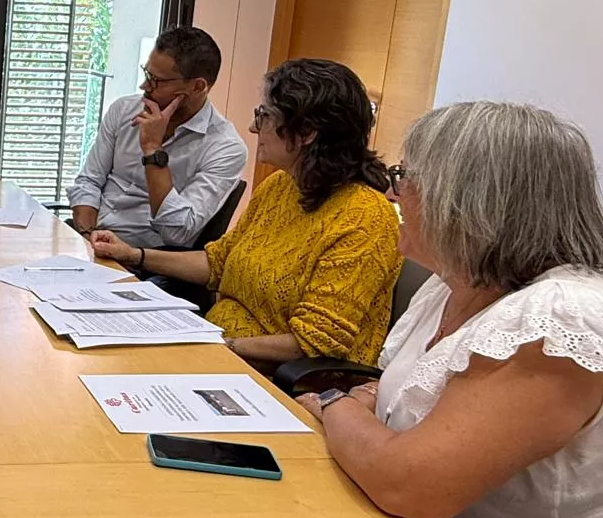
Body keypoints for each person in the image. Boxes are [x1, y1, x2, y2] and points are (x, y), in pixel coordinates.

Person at [297, 102, 603, 518]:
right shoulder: (456, 283)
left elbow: (409, 484)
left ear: (466, 200)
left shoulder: (561, 320)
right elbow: (397, 399)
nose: (394, 195)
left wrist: (335, 406)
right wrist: (364, 413)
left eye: (405, 178)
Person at [92, 58, 401, 367]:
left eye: (264, 115)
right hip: (221, 353)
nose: (254, 127)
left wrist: (216, 344)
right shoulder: (280, 186)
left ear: (306, 132)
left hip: (276, 381)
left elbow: (314, 343)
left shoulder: (365, 218)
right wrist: (133, 254)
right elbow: (218, 262)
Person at [68, 26, 247, 246]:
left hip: (145, 261)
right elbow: (89, 182)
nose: (144, 86)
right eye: (146, 74)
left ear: (198, 86)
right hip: (90, 236)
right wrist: (88, 239)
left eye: (156, 81)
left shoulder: (225, 148)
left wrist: (153, 150)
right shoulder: (124, 110)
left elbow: (177, 233)